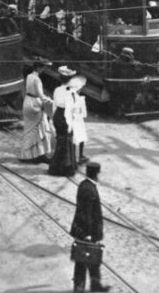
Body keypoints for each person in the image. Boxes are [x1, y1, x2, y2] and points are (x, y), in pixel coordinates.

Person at [69, 161, 109, 292]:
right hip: (86, 231)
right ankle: (79, 288)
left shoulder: (84, 184)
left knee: (93, 260)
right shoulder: (89, 190)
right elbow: (86, 214)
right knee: (83, 260)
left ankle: (94, 285)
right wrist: (88, 234)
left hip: (84, 230)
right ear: (96, 174)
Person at [19, 58, 55, 163]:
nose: (43, 70)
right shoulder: (37, 79)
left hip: (27, 101)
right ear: (39, 68)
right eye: (43, 68)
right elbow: (41, 96)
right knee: (42, 128)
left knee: (29, 130)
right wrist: (51, 100)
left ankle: (27, 154)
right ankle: (41, 154)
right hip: (34, 104)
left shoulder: (29, 76)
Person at [48, 66, 78, 176]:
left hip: (58, 115)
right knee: (67, 140)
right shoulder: (72, 92)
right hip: (66, 116)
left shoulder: (57, 90)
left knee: (61, 139)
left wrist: (53, 119)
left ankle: (57, 166)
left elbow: (54, 105)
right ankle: (66, 167)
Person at [68, 74, 89, 165]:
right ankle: (80, 156)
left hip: (71, 119)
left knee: (74, 138)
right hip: (78, 120)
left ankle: (73, 156)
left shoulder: (68, 97)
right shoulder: (80, 99)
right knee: (80, 138)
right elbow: (84, 114)